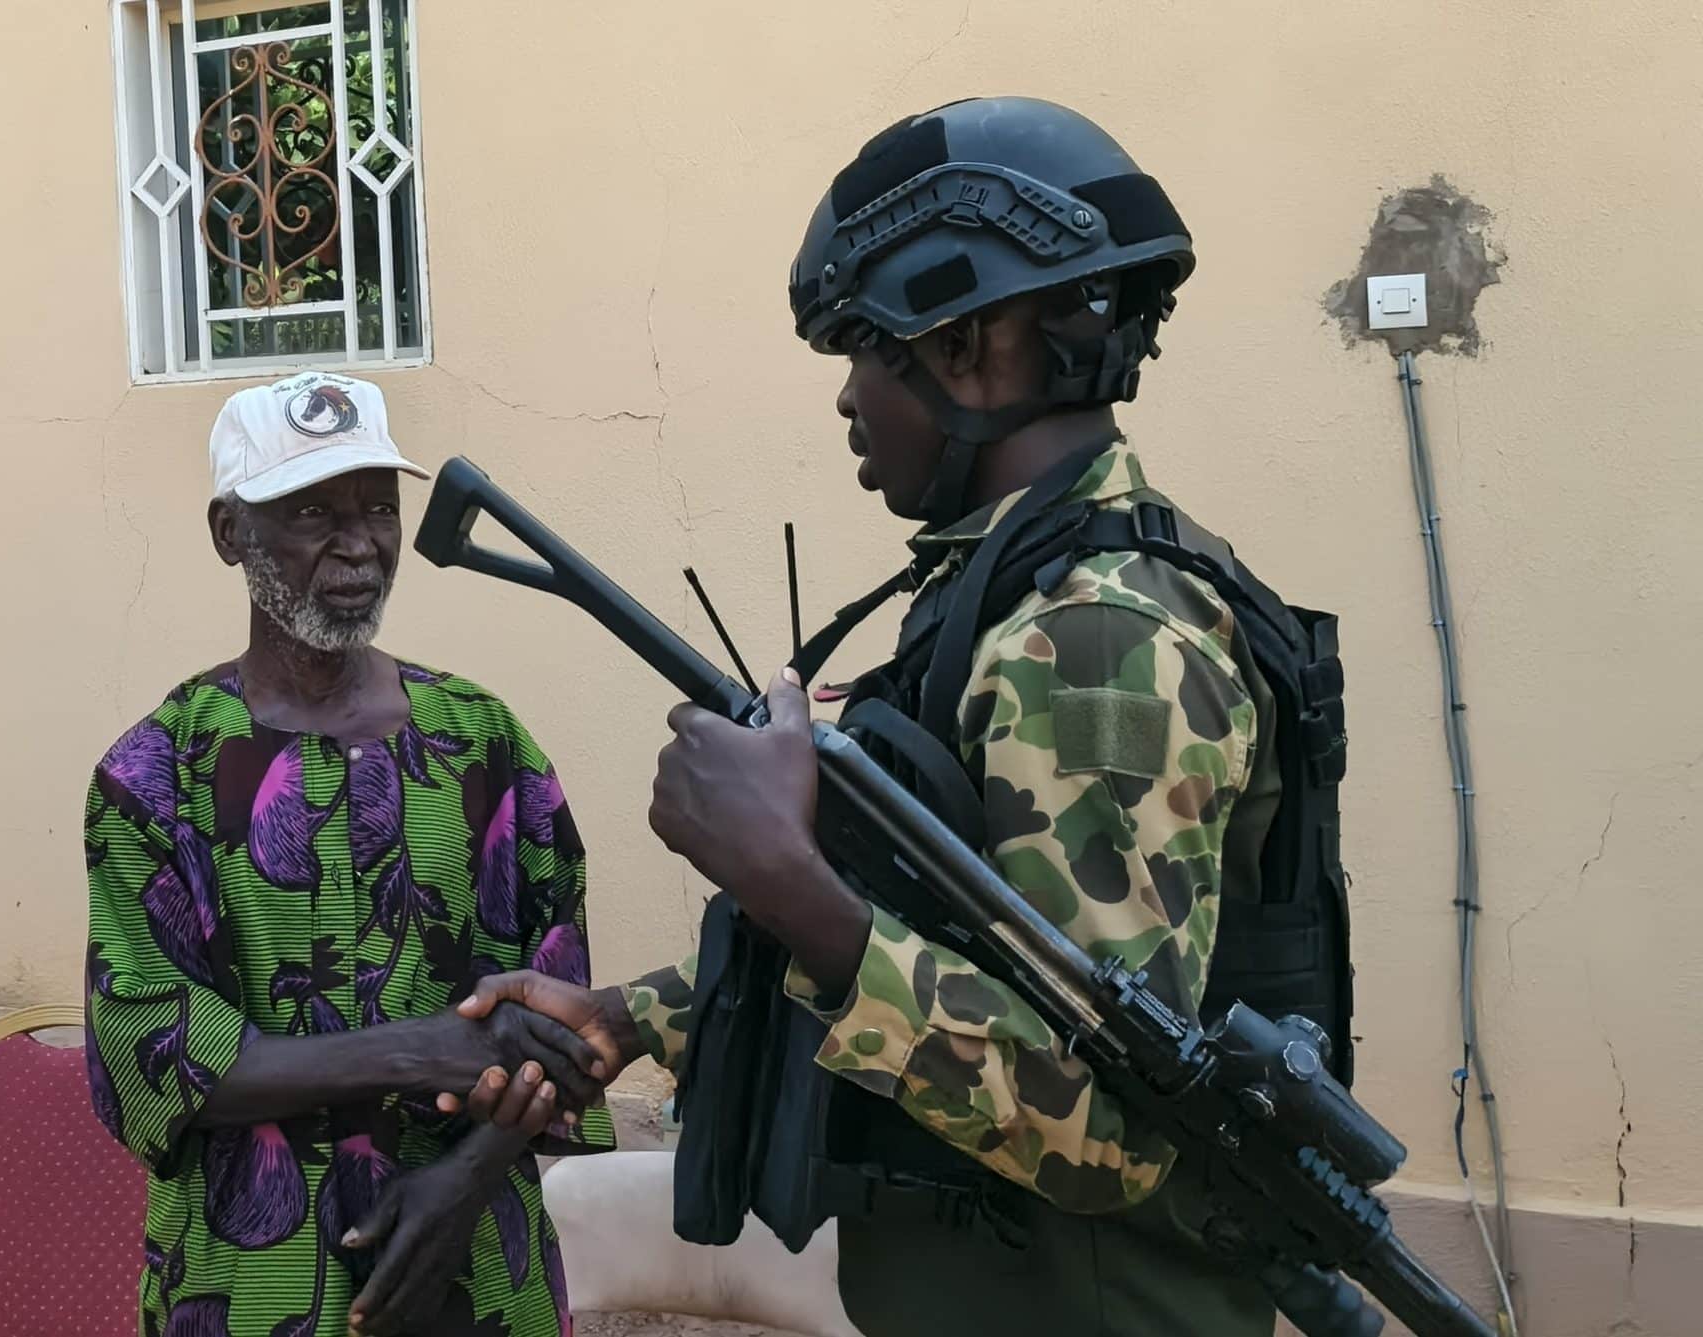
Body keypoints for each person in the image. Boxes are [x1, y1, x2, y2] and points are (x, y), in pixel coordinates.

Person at [451, 98, 1349, 1336]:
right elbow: (966, 935)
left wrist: (782, 877)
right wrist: (632, 1017)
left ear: (969, 344)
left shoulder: (1093, 639)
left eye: (860, 353)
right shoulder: (1018, 592)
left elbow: (1109, 1124)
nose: (845, 403)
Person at [82, 370, 614, 1337]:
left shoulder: (486, 743)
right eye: (313, 510)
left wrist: (465, 1176)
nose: (360, 542)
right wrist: (421, 1047)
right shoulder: (156, 776)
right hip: (249, 1285)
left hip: (479, 1265)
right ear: (230, 532)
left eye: (378, 505)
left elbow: (561, 1022)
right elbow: (158, 1058)